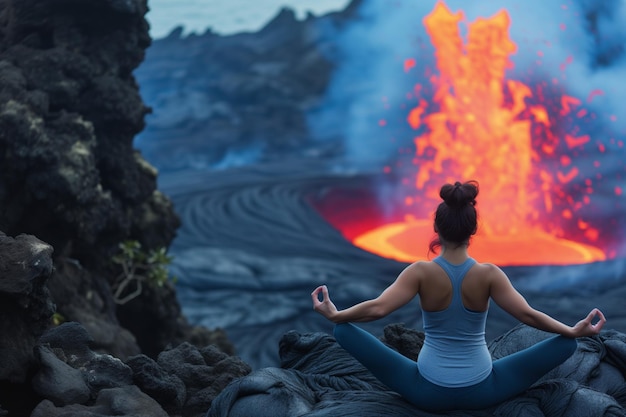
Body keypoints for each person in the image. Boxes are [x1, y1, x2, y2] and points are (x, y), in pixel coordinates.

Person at [311, 180, 606, 412]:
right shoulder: (489, 274)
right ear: (474, 230)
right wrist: (571, 330)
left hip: (425, 391)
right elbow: (528, 315)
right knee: (566, 346)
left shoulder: (420, 273)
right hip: (483, 390)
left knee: (343, 332)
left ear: (437, 228)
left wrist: (337, 315)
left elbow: (377, 309)